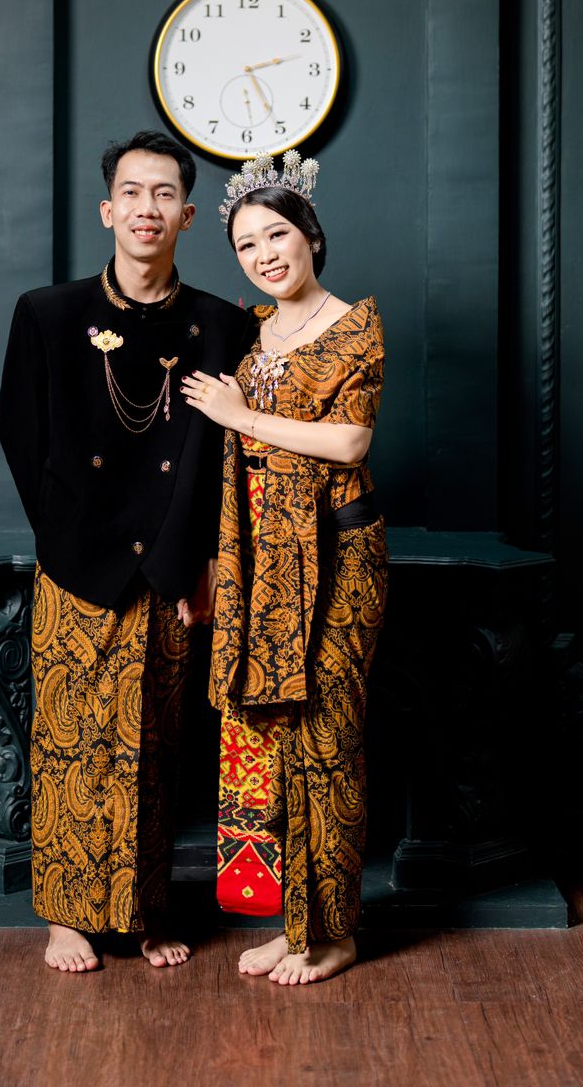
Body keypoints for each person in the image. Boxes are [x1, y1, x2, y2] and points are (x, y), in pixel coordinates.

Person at [0, 130, 252, 973]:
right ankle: (65, 918)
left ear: (187, 216)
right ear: (109, 210)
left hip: (170, 563)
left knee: (154, 744)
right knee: (69, 741)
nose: (149, 208)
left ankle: (145, 911)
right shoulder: (48, 313)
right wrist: (63, 533)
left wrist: (198, 560)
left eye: (165, 194)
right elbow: (20, 431)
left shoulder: (222, 324)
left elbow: (222, 457)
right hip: (76, 557)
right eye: (133, 193)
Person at [181, 148, 387, 986]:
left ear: (311, 234)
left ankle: (335, 933)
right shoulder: (250, 330)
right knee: (272, 740)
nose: (265, 254)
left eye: (277, 234)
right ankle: (294, 924)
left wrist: (241, 417)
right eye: (246, 244)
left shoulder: (354, 324)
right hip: (260, 560)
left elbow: (350, 441)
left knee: (328, 738)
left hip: (337, 555)